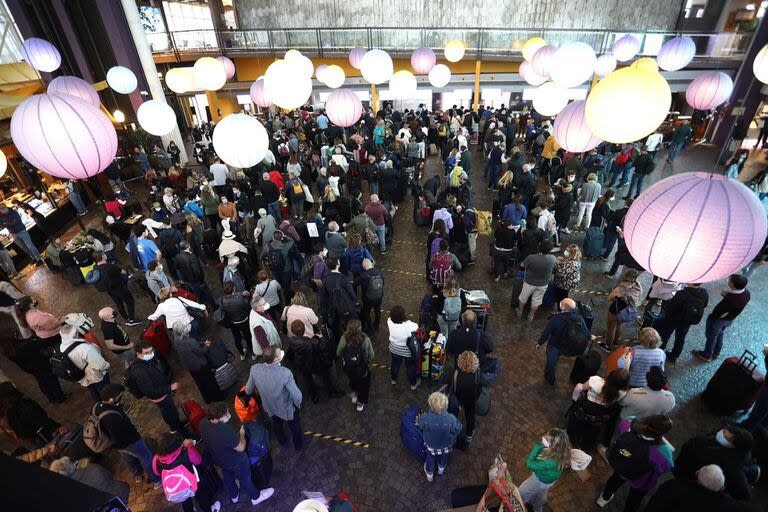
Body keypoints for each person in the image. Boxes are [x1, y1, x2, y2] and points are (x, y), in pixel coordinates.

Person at [199, 403, 275, 506]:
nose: (228, 415)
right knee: (245, 478)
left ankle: (234, 495)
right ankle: (256, 497)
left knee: (227, 475)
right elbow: (241, 447)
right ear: (217, 419)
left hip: (219, 459)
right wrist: (242, 435)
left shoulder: (203, 423)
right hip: (236, 460)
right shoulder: (224, 430)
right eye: (225, 415)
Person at [95, 383, 161, 486]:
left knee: (128, 458)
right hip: (129, 442)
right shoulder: (111, 418)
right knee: (146, 456)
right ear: (111, 399)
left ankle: (137, 474)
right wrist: (134, 439)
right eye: (120, 396)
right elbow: (119, 436)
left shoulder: (97, 407)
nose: (121, 398)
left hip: (116, 444)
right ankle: (156, 480)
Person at [673, 423, 758, 501]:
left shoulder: (704, 440)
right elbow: (745, 496)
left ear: (734, 446)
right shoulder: (733, 468)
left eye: (726, 437)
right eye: (723, 432)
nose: (721, 434)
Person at [244, 346, 303, 452]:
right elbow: (297, 396)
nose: (281, 352)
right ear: (276, 360)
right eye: (279, 353)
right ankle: (298, 446)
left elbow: (248, 390)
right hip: (287, 409)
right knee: (295, 428)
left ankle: (282, 441)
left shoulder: (255, 369)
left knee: (277, 425)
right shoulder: (285, 373)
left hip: (270, 407)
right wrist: (297, 405)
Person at [126, 341, 186, 433]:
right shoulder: (139, 372)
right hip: (161, 397)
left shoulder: (144, 361)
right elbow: (150, 391)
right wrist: (170, 388)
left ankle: (173, 426)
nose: (151, 354)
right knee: (171, 412)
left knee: (166, 411)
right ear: (138, 353)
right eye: (147, 353)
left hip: (161, 393)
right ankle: (179, 429)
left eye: (151, 351)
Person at [152, 433, 220, 512]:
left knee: (185, 501)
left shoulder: (156, 459)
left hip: (177, 488)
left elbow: (156, 472)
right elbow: (198, 461)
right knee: (201, 495)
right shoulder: (187, 451)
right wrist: (190, 445)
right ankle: (209, 510)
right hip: (195, 482)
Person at [693, 274, 750, 362]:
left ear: (732, 284)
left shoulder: (731, 300)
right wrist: (727, 294)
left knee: (712, 335)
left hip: (719, 319)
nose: (728, 280)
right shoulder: (746, 293)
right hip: (729, 319)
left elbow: (723, 311)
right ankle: (716, 352)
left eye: (729, 280)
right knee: (720, 334)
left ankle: (707, 354)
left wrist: (727, 296)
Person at [645, 464, 751, 512]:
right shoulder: (732, 507)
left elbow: (654, 505)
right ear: (721, 488)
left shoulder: (674, 486)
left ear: (697, 474)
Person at [568, 370, 630, 451]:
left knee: (579, 386)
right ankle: (585, 447)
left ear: (611, 375)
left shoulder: (596, 380)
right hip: (599, 416)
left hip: (584, 410)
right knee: (592, 432)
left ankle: (571, 438)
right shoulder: (623, 392)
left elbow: (583, 387)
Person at [537, 298, 588, 385]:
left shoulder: (555, 319)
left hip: (554, 346)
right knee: (557, 356)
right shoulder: (579, 318)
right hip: (567, 345)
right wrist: (590, 336)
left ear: (563, 307)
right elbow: (585, 331)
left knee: (550, 364)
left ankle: (550, 379)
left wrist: (539, 343)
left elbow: (546, 333)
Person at [518, 429, 572, 512]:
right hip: (548, 481)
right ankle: (537, 508)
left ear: (553, 446)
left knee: (522, 491)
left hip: (539, 480)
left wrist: (538, 447)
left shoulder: (549, 462)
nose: (543, 438)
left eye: (547, 439)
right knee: (541, 494)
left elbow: (529, 464)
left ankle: (520, 506)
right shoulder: (562, 452)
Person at [655, 282, 709, 365]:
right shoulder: (704, 293)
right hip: (687, 320)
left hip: (674, 319)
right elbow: (704, 305)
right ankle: (674, 355)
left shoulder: (682, 294)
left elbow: (672, 307)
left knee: (666, 334)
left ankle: (660, 351)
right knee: (681, 337)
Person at [171, 322, 222, 403]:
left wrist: (201, 343)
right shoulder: (190, 341)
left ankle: (208, 399)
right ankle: (218, 397)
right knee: (210, 381)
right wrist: (206, 346)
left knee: (200, 383)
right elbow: (201, 352)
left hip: (190, 366)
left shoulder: (176, 339)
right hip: (200, 365)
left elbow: (193, 346)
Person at [416, 392, 462, 481]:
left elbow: (420, 424)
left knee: (430, 458)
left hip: (431, 445)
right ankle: (441, 469)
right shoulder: (451, 418)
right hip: (446, 444)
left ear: (431, 407)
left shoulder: (426, 418)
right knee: (444, 457)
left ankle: (430, 474)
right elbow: (458, 428)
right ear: (446, 406)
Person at [59, 323, 110, 402]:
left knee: (92, 389)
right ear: (76, 333)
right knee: (105, 391)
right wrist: (107, 366)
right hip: (95, 375)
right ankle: (110, 405)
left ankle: (98, 403)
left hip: (82, 376)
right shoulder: (85, 348)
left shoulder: (62, 347)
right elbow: (100, 365)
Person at [49, 456, 130, 504]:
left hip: (113, 504)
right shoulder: (91, 466)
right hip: (122, 491)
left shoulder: (71, 492)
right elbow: (109, 474)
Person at [90, 250, 142, 325]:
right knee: (130, 302)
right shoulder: (110, 267)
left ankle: (126, 318)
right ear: (103, 257)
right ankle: (131, 320)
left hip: (109, 290)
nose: (105, 255)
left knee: (119, 304)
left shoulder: (95, 268)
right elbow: (123, 272)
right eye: (104, 254)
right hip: (119, 288)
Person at [599, 268, 643, 352]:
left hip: (616, 311)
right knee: (619, 325)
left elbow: (610, 298)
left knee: (611, 328)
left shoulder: (621, 287)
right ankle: (615, 342)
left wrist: (614, 292)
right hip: (626, 312)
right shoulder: (638, 286)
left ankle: (608, 346)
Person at [337, 319, 374, 412]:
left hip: (349, 369)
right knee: (364, 386)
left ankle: (354, 397)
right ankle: (360, 403)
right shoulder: (365, 338)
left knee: (353, 383)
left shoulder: (344, 338)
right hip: (363, 369)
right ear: (360, 328)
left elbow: (338, 353)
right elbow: (371, 355)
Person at [516, 239, 556, 321]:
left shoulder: (531, 257)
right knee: (536, 301)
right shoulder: (552, 258)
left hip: (529, 282)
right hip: (543, 284)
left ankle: (520, 311)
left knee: (523, 297)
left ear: (539, 247)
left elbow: (522, 265)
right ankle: (531, 315)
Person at [450, 350, 482, 445]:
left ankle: (451, 431)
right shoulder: (477, 375)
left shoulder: (454, 374)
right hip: (471, 400)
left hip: (457, 399)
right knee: (470, 415)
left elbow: (446, 382)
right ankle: (469, 435)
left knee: (453, 414)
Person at [175, 240, 216, 309]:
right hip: (198, 280)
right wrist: (201, 280)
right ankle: (214, 306)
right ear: (188, 246)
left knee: (198, 295)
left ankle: (204, 307)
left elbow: (177, 268)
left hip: (189, 281)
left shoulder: (177, 256)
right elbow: (197, 271)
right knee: (208, 293)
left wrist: (182, 278)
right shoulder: (192, 256)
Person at [387, 305, 420, 389]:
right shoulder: (409, 325)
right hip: (407, 350)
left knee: (395, 364)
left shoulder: (389, 321)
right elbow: (416, 326)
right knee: (410, 367)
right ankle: (413, 384)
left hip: (394, 348)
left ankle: (393, 380)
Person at [219, 281, 252, 360]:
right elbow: (247, 308)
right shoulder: (240, 299)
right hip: (243, 321)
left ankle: (242, 354)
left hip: (233, 323)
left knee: (237, 339)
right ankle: (253, 353)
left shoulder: (222, 300)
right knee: (248, 337)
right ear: (234, 288)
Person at [356, 258, 384, 335]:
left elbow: (355, 283)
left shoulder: (364, 276)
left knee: (366, 312)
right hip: (379, 296)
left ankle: (370, 328)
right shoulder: (379, 272)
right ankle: (376, 325)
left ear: (364, 266)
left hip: (368, 299)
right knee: (377, 310)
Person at [249, 295, 282, 359]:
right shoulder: (258, 325)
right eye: (264, 303)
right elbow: (264, 344)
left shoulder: (261, 311)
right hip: (272, 348)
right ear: (258, 307)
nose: (267, 303)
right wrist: (273, 355)